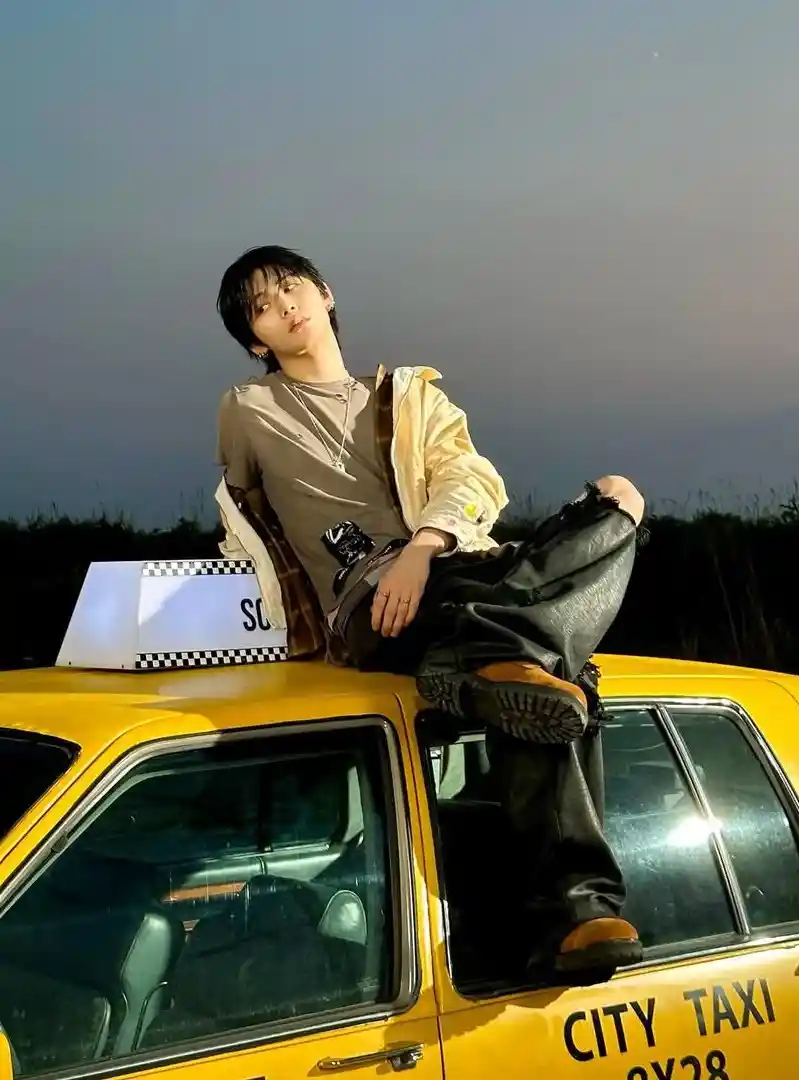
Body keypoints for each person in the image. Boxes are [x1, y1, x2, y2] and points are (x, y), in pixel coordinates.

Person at [214, 245, 646, 984]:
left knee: (618, 499)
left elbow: (469, 476)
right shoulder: (249, 410)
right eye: (261, 306)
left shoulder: (413, 397)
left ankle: (486, 660)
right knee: (561, 675)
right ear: (256, 341)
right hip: (369, 604)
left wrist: (424, 545)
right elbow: (240, 522)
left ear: (324, 293)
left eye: (291, 287)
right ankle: (579, 909)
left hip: (451, 570)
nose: (284, 305)